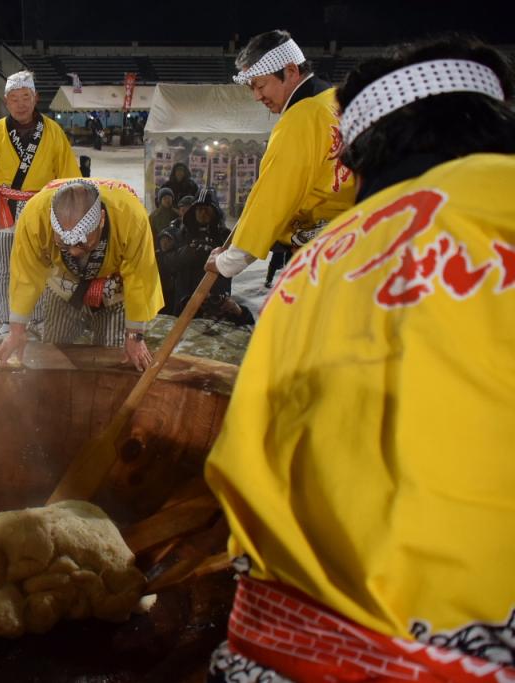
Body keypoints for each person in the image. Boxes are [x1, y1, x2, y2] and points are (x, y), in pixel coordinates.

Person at [205, 37, 515, 681]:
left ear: (362, 157)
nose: (257, 97)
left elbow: (243, 463)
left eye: (258, 84)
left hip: (295, 647)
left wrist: (236, 254)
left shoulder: (311, 274)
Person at [207, 29, 357, 281]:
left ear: (290, 72)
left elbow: (274, 194)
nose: (257, 96)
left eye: (261, 85)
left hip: (326, 255)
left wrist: (228, 261)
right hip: (354, 239)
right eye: (252, 87)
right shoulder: (332, 99)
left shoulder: (301, 118)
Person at [0, 178, 162, 372]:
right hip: (63, 283)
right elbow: (25, 273)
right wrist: (17, 330)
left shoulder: (130, 214)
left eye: (82, 243)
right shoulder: (35, 215)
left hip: (112, 288)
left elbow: (140, 276)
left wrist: (135, 336)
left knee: (113, 359)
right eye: (64, 244)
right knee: (53, 357)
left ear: (101, 220)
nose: (73, 251)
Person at [0, 70, 81, 331]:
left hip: (42, 210)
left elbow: (68, 173)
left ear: (36, 98)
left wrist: (70, 211)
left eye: (26, 97)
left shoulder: (53, 131)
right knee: (6, 268)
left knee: (43, 266)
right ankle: (8, 319)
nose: (20, 104)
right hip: (5, 210)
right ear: (6, 101)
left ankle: (37, 317)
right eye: (14, 98)